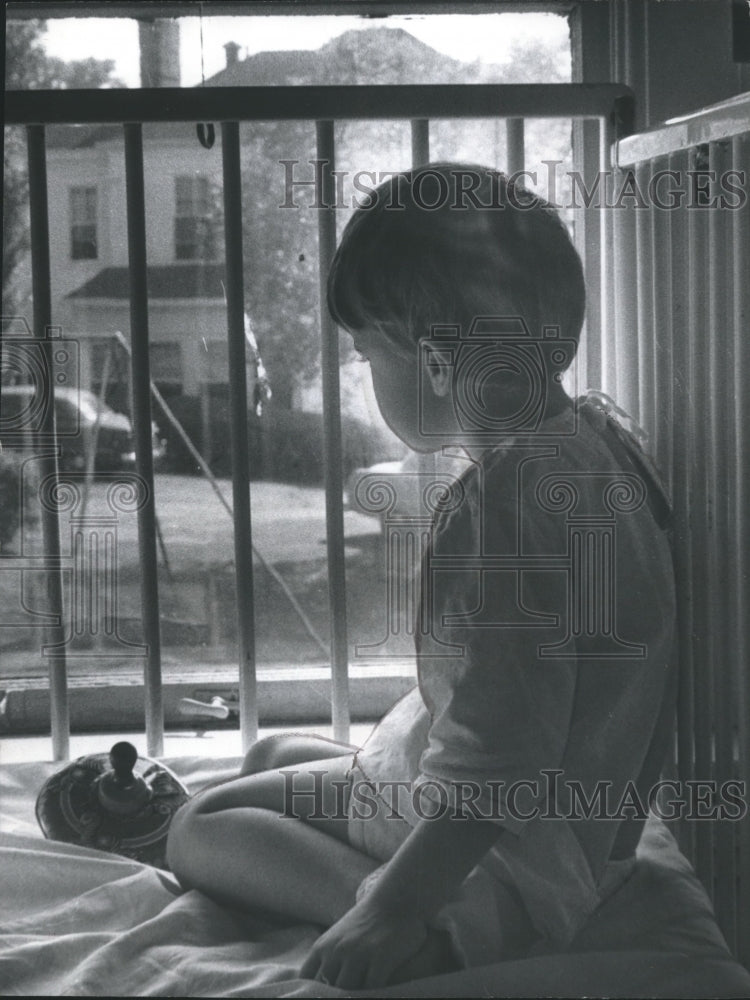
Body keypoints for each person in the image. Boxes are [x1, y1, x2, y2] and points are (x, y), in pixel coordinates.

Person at [166, 163, 676, 991]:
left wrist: (390, 910)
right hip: (577, 830)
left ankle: (428, 919)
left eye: (368, 353)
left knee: (200, 821)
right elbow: (637, 686)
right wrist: (611, 843)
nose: (365, 378)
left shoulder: (502, 514)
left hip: (506, 852)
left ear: (436, 361)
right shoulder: (598, 441)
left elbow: (500, 760)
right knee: (271, 746)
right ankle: (434, 885)